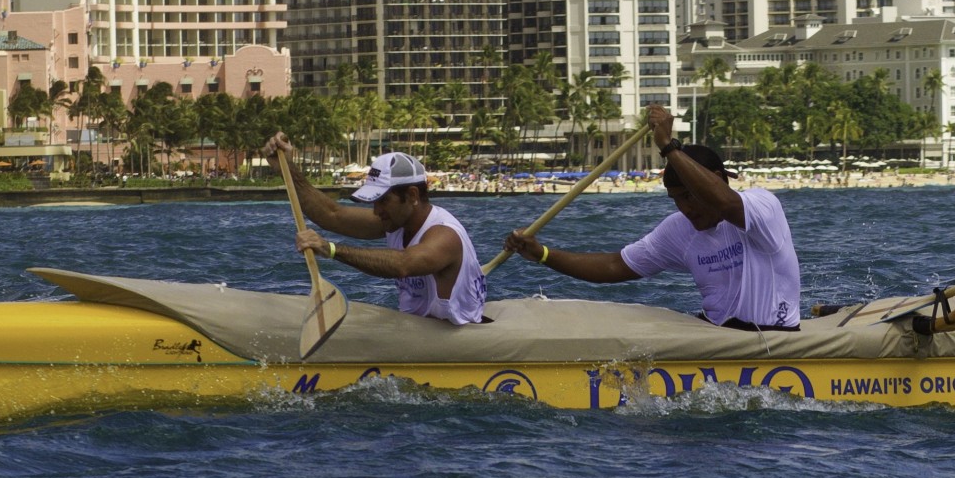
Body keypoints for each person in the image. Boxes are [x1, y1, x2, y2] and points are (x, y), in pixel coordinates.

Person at [499, 104, 803, 330]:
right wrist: (543, 254)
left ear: (719, 178)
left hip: (774, 337)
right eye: (676, 199)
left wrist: (668, 147)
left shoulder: (763, 207)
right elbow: (616, 265)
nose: (684, 208)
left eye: (689, 196)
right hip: (716, 334)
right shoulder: (678, 230)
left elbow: (725, 205)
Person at [270, 137, 486, 325]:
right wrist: (287, 168)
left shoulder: (445, 235)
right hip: (417, 328)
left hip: (452, 335)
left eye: (383, 201)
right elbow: (332, 215)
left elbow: (403, 264)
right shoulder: (395, 221)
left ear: (412, 195)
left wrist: (331, 249)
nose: (376, 211)